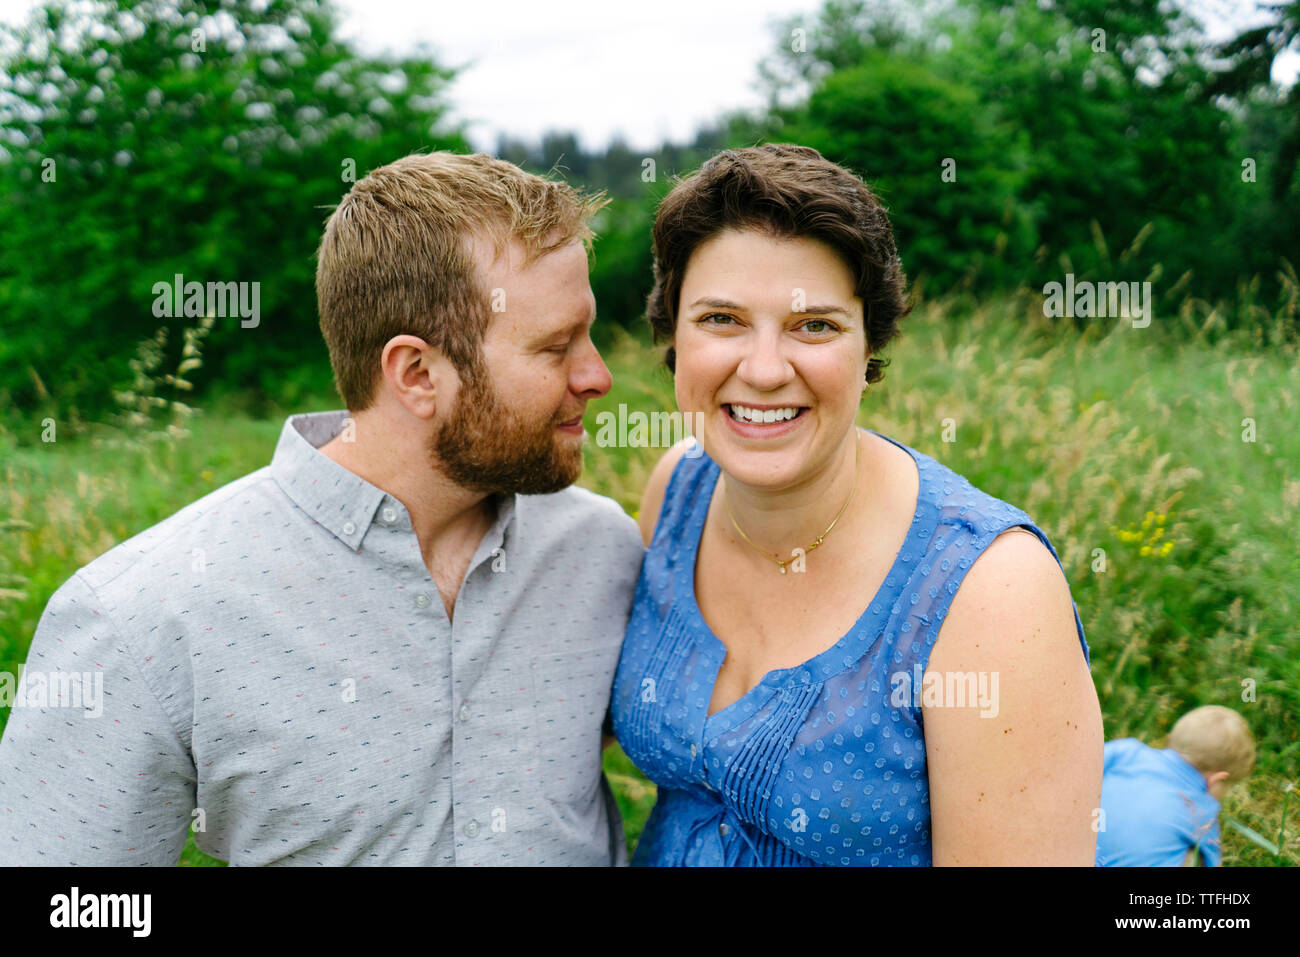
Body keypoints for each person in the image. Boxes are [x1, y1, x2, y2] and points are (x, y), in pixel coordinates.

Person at [0, 152, 644, 866]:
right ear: (417, 373)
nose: (598, 375)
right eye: (556, 348)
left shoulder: (603, 552)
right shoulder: (143, 614)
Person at [610, 143, 1104, 866]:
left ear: (870, 345)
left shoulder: (991, 591)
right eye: (721, 319)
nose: (765, 368)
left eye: (815, 325)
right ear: (672, 334)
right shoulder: (678, 490)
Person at [1097, 705, 1255, 867]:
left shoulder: (1125, 751)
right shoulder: (1202, 810)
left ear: (1169, 737)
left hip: (1074, 852)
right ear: (1217, 779)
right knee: (1196, 856)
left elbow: (1079, 767)